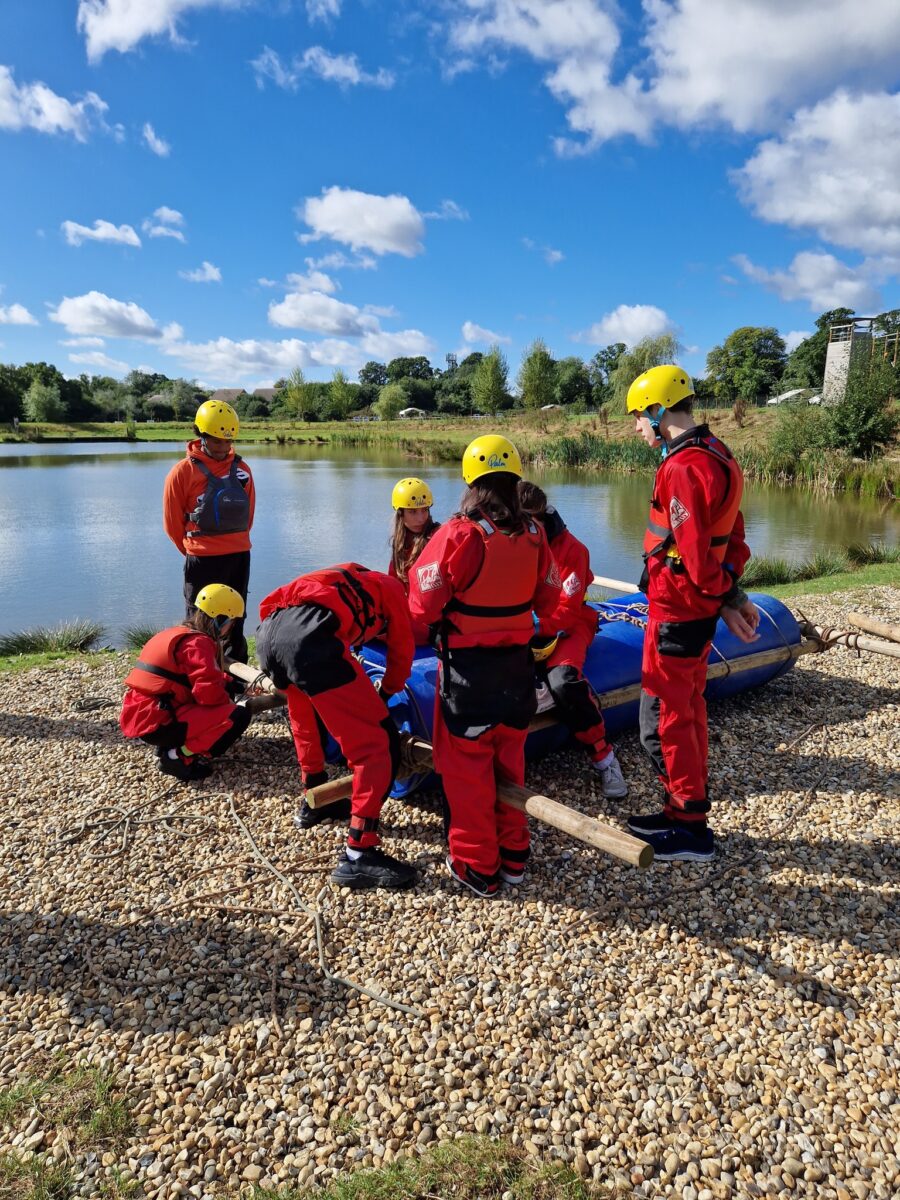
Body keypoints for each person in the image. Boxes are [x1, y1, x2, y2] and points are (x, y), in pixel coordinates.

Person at [408, 435, 561, 898]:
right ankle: (515, 855)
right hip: (517, 675)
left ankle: (478, 867)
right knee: (509, 762)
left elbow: (421, 605)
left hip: (468, 678)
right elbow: (551, 598)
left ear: (471, 482)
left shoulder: (459, 534)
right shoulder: (536, 534)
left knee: (467, 773)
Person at [625, 365, 759, 862]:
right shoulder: (719, 454)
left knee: (665, 717)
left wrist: (726, 595)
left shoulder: (681, 468)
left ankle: (690, 829)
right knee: (690, 707)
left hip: (679, 611)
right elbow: (734, 536)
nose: (637, 427)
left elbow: (699, 559)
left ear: (660, 411)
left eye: (639, 416)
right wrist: (730, 594)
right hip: (693, 610)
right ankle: (682, 811)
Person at [255, 563, 416, 889]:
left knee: (305, 717)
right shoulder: (393, 588)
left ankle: (315, 800)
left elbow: (271, 605)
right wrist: (385, 693)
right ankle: (360, 852)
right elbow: (402, 648)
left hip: (269, 635)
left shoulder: (346, 578)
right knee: (378, 743)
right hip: (310, 639)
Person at [517, 481, 628, 799]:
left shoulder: (572, 550)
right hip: (523, 625)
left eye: (526, 522)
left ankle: (604, 756)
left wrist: (535, 627)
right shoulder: (507, 539)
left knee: (563, 682)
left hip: (567, 624)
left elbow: (567, 609)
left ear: (540, 517)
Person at [119, 584, 252, 781]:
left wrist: (238, 686)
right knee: (238, 716)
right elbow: (209, 695)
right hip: (160, 721)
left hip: (145, 715)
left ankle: (168, 746)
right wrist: (230, 705)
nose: (230, 628)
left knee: (223, 707)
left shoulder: (179, 634)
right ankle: (178, 756)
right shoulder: (199, 644)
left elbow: (197, 677)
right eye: (230, 622)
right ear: (219, 619)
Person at [163, 400, 255, 664]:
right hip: (202, 558)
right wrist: (193, 550)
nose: (223, 448)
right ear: (200, 435)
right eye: (217, 441)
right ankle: (199, 670)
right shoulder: (182, 472)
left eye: (228, 441)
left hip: (238, 555)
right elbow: (172, 523)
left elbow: (248, 516)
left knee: (236, 615)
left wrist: (232, 541)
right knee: (198, 618)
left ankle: (235, 679)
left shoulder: (242, 470)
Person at [389, 477, 440, 644]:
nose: (421, 518)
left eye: (424, 510)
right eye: (413, 512)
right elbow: (393, 588)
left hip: (433, 624)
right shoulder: (400, 545)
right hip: (412, 618)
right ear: (400, 513)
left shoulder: (437, 538)